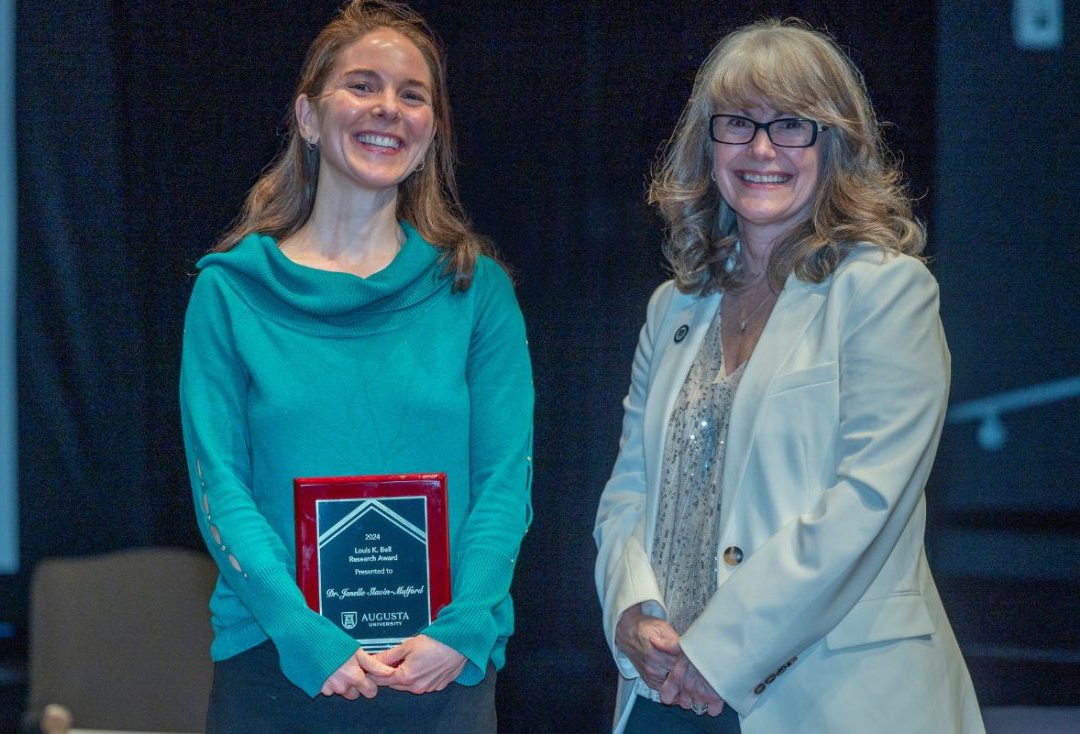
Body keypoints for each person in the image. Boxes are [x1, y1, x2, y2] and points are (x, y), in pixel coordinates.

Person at [593, 18, 984, 734]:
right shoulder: (674, 306)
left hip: (828, 695)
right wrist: (630, 609)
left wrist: (717, 652)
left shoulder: (886, 292)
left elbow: (865, 504)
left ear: (833, 144)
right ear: (707, 145)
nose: (762, 148)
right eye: (738, 123)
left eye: (792, 125)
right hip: (663, 690)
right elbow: (631, 485)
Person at [179, 2, 533, 732]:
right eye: (363, 85)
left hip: (440, 672)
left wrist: (461, 630)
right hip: (278, 667)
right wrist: (307, 636)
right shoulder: (231, 291)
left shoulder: (476, 291)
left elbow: (504, 482)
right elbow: (221, 488)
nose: (388, 109)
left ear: (432, 129)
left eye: (413, 95)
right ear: (308, 117)